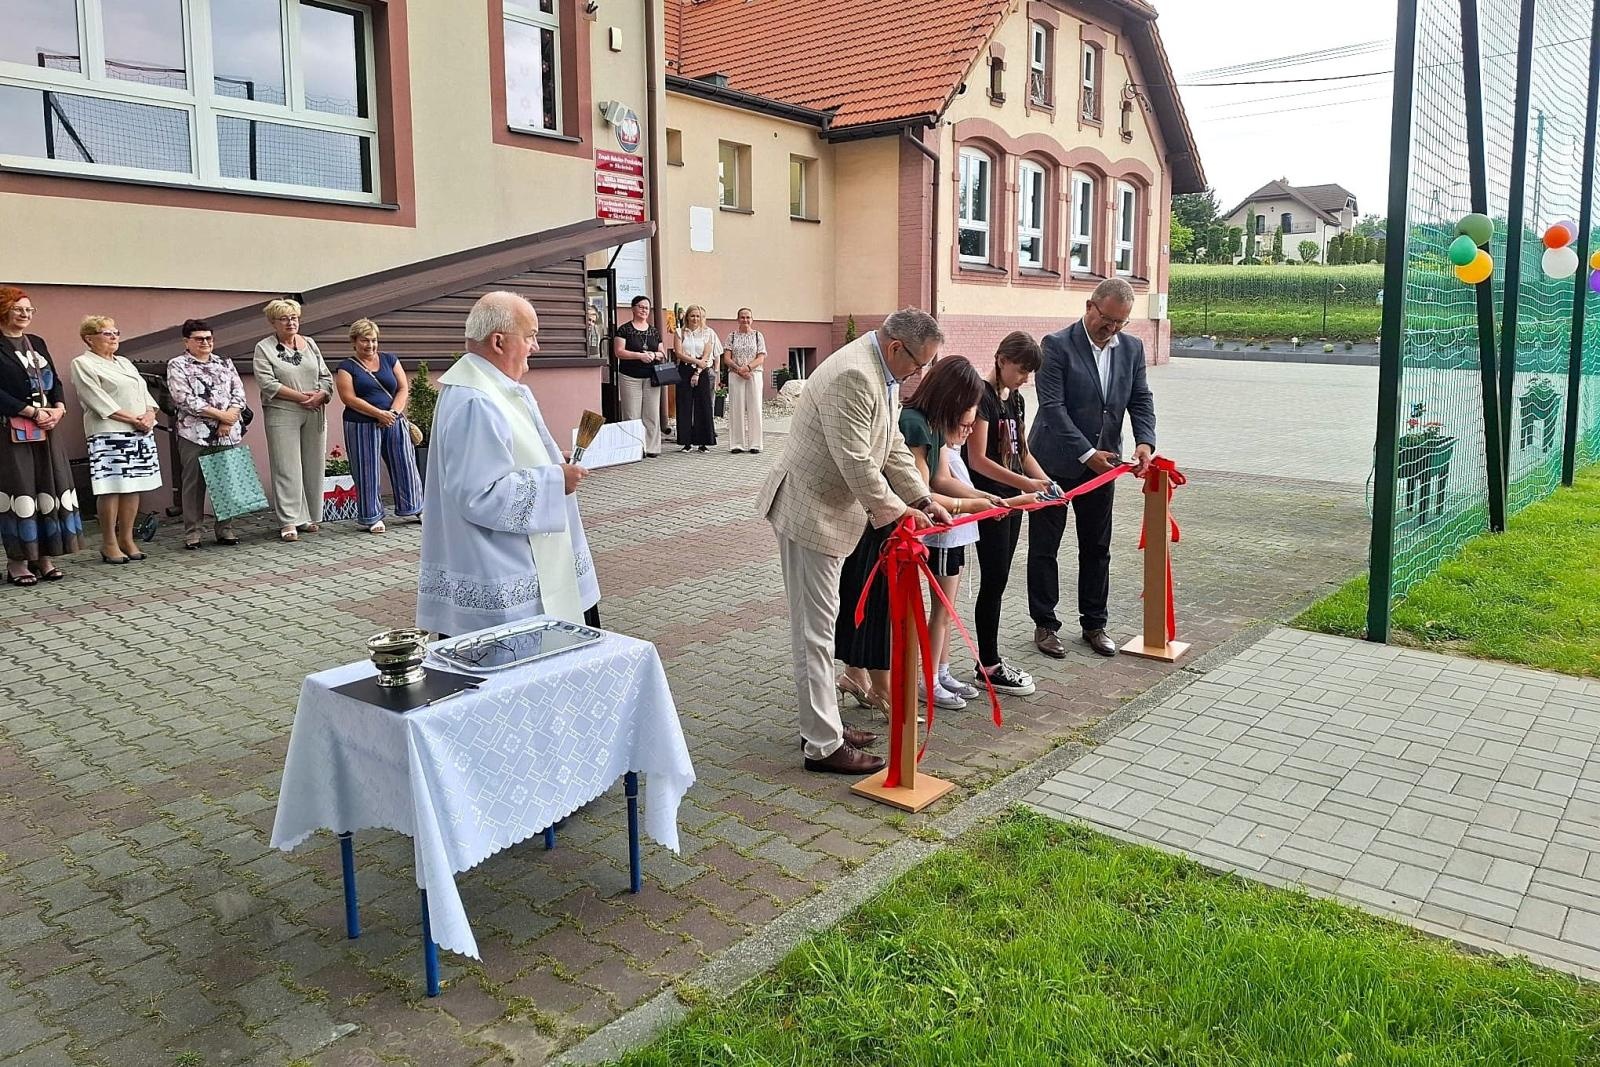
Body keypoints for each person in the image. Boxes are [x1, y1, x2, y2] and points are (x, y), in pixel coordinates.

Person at [756, 306, 951, 775]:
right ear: (894, 347)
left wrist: (923, 500)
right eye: (918, 363)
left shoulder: (880, 371)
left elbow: (892, 448)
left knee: (821, 629)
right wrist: (899, 513)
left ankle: (823, 724)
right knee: (814, 634)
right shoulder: (855, 376)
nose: (919, 374)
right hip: (810, 515)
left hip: (831, 513)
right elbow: (858, 464)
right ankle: (822, 746)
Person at [417, 291, 598, 637]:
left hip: (520, 566)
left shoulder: (493, 387)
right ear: (499, 341)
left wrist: (549, 461)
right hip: (505, 579)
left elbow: (504, 458)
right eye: (530, 336)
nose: (536, 346)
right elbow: (478, 494)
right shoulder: (476, 400)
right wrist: (555, 481)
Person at [836, 356, 998, 715]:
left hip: (900, 529)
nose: (970, 419)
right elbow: (920, 488)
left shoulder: (932, 425)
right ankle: (883, 691)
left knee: (880, 615)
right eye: (967, 406)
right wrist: (969, 506)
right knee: (880, 614)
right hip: (888, 532)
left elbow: (937, 480)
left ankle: (859, 678)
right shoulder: (914, 423)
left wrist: (983, 499)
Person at [1027, 277, 1157, 659]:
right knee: (1045, 547)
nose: (1112, 328)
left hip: (1105, 466)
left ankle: (1094, 623)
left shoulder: (1131, 349)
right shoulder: (1056, 346)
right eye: (1107, 319)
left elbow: (1140, 398)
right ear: (1090, 306)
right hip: (1053, 462)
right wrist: (1087, 453)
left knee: (1097, 546)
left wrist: (1145, 442)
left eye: (1121, 322)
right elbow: (1052, 408)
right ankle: (1045, 624)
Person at [964, 332, 1051, 695]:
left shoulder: (1015, 400)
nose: (1025, 379)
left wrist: (1044, 480)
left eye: (1030, 372)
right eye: (1021, 370)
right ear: (1001, 360)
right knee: (994, 580)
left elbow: (1023, 452)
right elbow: (978, 459)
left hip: (1013, 503)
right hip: (990, 502)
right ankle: (988, 662)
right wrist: (1024, 484)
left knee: (999, 580)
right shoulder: (982, 399)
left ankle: (990, 660)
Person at [0, 286, 83, 584]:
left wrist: (59, 408)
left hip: (47, 429)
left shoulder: (36, 342)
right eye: (18, 309)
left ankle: (44, 557)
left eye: (29, 310)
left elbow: (55, 381)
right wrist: (30, 412)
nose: (25, 314)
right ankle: (18, 562)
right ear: (3, 310)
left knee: (49, 486)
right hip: (11, 431)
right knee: (21, 490)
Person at [70, 316, 161, 564]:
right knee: (111, 487)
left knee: (133, 486)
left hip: (139, 431)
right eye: (107, 333)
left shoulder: (124, 363)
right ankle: (109, 542)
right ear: (89, 338)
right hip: (109, 432)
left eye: (116, 332)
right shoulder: (83, 363)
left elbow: (144, 393)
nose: (114, 337)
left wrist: (149, 415)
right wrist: (134, 418)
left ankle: (127, 538)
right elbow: (97, 400)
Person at [254, 298, 333, 542]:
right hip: (282, 411)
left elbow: (325, 376)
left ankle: (309, 517)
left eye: (294, 318)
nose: (291, 323)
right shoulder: (263, 348)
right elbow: (267, 383)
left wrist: (321, 394)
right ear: (273, 322)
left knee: (313, 463)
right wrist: (301, 397)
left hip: (314, 410)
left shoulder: (309, 343)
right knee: (287, 466)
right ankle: (289, 520)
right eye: (285, 319)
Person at [333, 319, 422, 534]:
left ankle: (416, 507)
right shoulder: (346, 367)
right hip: (361, 423)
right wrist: (377, 414)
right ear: (354, 342)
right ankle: (372, 516)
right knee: (366, 469)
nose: (370, 345)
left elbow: (402, 388)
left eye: (373, 340)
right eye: (365, 340)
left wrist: (392, 413)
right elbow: (348, 398)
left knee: (405, 464)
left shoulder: (390, 359)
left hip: (394, 420)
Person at [166, 318, 247, 549]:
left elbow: (238, 394)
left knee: (226, 481)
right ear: (186, 341)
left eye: (209, 338)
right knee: (194, 483)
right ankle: (193, 533)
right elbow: (183, 398)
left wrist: (229, 418)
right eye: (199, 339)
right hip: (195, 433)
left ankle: (226, 529)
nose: (205, 342)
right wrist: (221, 416)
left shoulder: (224, 362)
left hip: (227, 431)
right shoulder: (178, 364)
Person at [614, 295, 668, 458]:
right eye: (641, 307)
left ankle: (652, 448)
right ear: (633, 308)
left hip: (652, 377)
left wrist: (653, 354)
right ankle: (633, 448)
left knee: (651, 413)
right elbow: (619, 352)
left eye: (647, 307)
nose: (644, 310)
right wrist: (639, 356)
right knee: (631, 414)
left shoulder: (653, 331)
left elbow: (662, 352)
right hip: (630, 376)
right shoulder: (624, 329)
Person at [674, 305, 721, 452]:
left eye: (699, 316)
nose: (695, 319)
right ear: (687, 316)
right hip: (685, 369)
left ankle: (703, 442)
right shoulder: (680, 332)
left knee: (703, 405)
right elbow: (679, 353)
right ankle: (686, 442)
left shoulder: (708, 333)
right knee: (684, 405)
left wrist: (698, 371)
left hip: (702, 370)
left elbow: (707, 354)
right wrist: (696, 362)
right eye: (693, 315)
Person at [724, 308, 765, 454]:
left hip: (754, 374)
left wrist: (747, 368)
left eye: (748, 317)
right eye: (742, 317)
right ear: (737, 319)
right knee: (736, 408)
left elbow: (761, 357)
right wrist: (739, 370)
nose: (745, 320)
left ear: (752, 319)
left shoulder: (758, 336)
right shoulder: (732, 336)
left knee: (755, 407)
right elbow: (727, 358)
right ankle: (737, 443)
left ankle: (755, 444)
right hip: (735, 374)